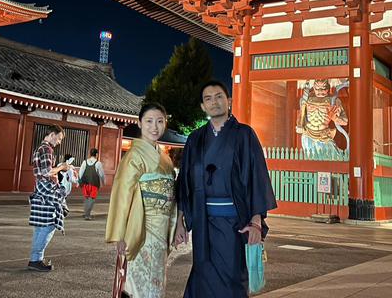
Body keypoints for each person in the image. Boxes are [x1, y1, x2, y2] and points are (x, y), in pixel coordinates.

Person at [173, 80, 277, 298]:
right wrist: (180, 222)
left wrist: (256, 220)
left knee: (232, 280)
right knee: (202, 276)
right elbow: (185, 183)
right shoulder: (195, 139)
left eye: (219, 96)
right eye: (208, 98)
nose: (214, 102)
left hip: (234, 224)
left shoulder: (244, 135)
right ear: (202, 106)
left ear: (229, 101)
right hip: (203, 222)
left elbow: (257, 176)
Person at [106, 102, 177, 298]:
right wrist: (119, 234)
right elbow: (122, 195)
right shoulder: (134, 155)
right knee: (138, 281)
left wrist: (178, 225)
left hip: (161, 228)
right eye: (149, 121)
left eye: (160, 121)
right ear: (139, 123)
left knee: (156, 280)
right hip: (140, 226)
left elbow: (172, 194)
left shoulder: (166, 159)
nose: (154, 127)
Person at [27, 126, 70, 272]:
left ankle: (36, 258)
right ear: (52, 134)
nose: (59, 142)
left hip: (40, 189)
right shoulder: (47, 149)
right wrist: (62, 167)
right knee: (50, 223)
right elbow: (47, 171)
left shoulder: (39, 148)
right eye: (59, 138)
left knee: (40, 225)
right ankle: (36, 259)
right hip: (47, 189)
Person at [78, 147, 107, 220]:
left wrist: (78, 181)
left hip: (85, 183)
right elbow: (101, 174)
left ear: (90, 154)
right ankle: (87, 214)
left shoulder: (85, 162)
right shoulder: (98, 163)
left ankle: (86, 213)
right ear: (96, 154)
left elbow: (80, 172)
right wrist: (103, 181)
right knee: (92, 199)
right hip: (94, 183)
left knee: (86, 198)